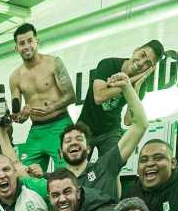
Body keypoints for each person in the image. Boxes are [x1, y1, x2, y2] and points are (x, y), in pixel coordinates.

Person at [57, 71, 148, 199]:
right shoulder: (53, 182)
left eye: (79, 139)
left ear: (88, 149)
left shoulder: (105, 166)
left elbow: (140, 125)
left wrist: (127, 87)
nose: (73, 142)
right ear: (60, 152)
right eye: (68, 140)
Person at [8, 23, 76, 171]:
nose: (26, 46)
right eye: (21, 43)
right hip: (37, 131)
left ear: (37, 41)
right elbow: (17, 116)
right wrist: (22, 116)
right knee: (24, 175)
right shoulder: (15, 77)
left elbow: (71, 96)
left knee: (67, 173)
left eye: (29, 41)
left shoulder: (53, 63)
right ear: (16, 48)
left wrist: (52, 107)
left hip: (61, 124)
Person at [77, 40, 163, 157]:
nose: (141, 62)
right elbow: (99, 97)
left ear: (150, 69)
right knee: (77, 170)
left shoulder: (141, 87)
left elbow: (128, 121)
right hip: (85, 127)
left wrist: (136, 87)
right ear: (136, 50)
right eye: (142, 55)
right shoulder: (108, 64)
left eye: (148, 63)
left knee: (112, 167)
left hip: (110, 131)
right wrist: (128, 83)